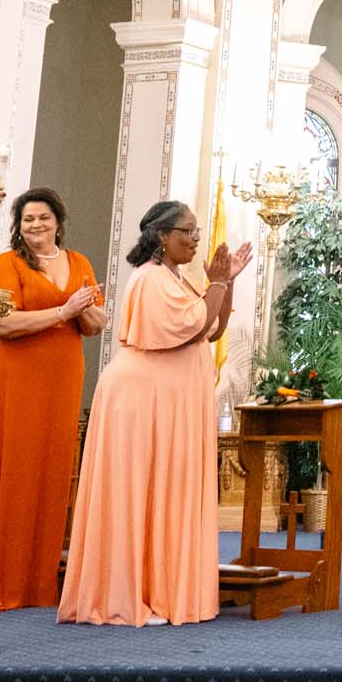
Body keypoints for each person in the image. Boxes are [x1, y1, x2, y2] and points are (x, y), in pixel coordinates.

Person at [57, 201, 250, 626]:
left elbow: (212, 328)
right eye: (188, 231)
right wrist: (215, 283)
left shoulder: (174, 278)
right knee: (140, 490)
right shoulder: (151, 279)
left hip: (166, 402)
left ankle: (157, 588)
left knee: (163, 488)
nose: (196, 238)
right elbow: (193, 326)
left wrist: (226, 283)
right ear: (161, 236)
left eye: (198, 230)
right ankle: (129, 594)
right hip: (143, 401)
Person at [0, 187, 105, 610]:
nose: (36, 226)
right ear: (19, 226)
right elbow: (3, 323)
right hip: (16, 376)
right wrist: (64, 311)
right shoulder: (10, 264)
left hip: (62, 377)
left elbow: (96, 324)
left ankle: (38, 582)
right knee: (16, 467)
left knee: (51, 470)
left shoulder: (78, 262)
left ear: (58, 222)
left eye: (43, 218)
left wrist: (80, 307)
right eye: (28, 220)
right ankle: (3, 579)